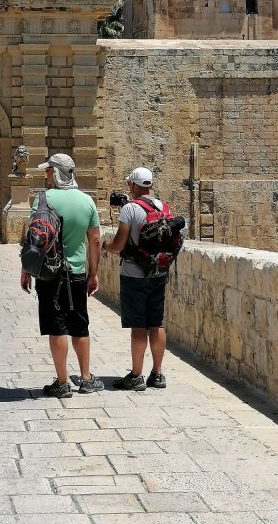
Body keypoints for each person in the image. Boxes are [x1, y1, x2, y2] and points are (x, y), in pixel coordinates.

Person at [21, 153, 103, 398]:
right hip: (76, 274)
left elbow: (32, 239)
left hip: (49, 274)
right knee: (80, 326)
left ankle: (62, 382)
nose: (46, 174)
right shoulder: (87, 202)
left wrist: (26, 270)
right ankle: (86, 379)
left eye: (49, 170)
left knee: (56, 327)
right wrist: (93, 274)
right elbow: (95, 240)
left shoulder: (42, 199)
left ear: (56, 173)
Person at [101, 166, 168, 391]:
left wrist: (105, 245)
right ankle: (157, 374)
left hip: (134, 275)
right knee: (156, 323)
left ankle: (136, 375)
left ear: (132, 184)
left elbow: (119, 245)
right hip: (158, 273)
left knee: (138, 326)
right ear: (151, 185)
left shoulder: (129, 209)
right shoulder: (162, 206)